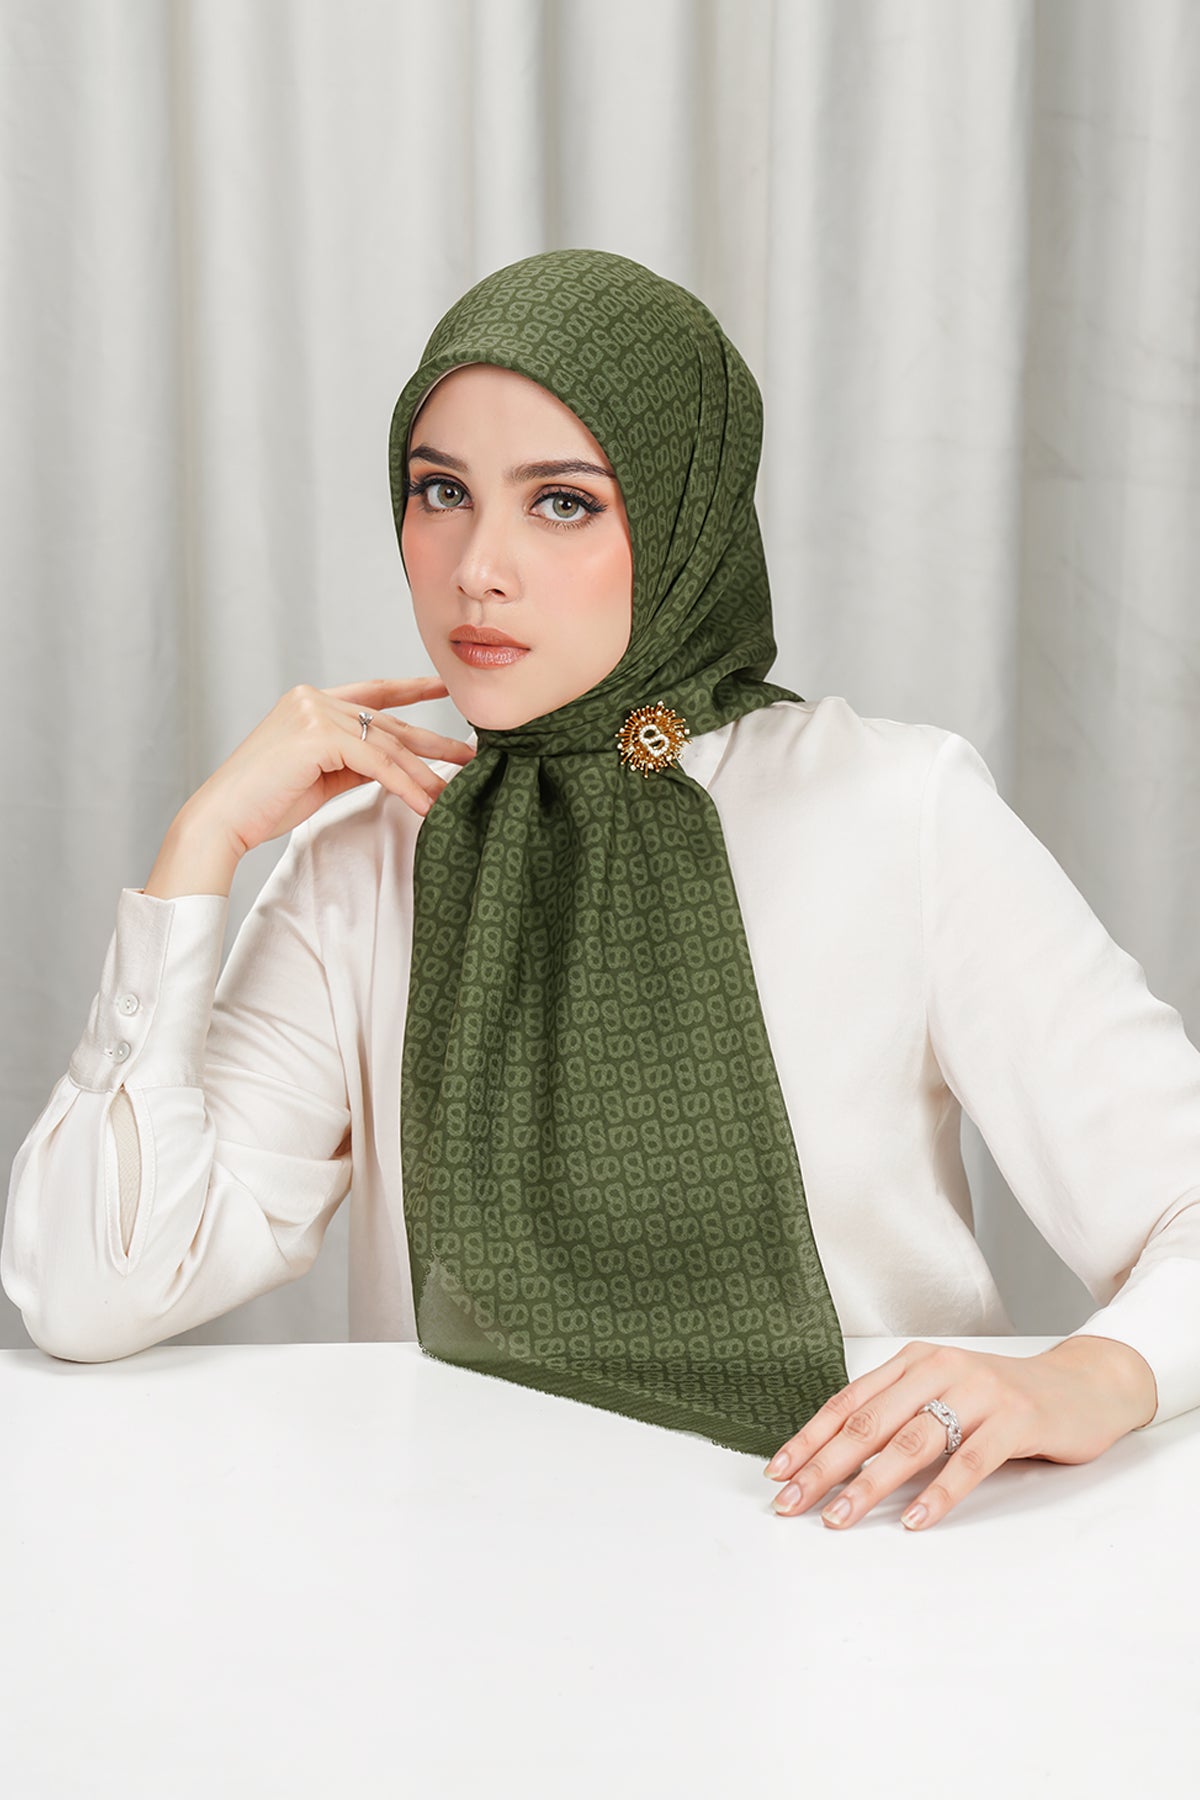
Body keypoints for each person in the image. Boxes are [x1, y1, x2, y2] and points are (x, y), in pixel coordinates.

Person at [4, 249, 1198, 1537]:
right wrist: (200, 848)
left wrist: (1092, 1375)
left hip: (856, 1561)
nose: (478, 568)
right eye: (441, 492)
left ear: (684, 517)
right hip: (463, 1569)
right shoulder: (371, 857)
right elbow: (92, 1293)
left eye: (563, 503)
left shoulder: (896, 811)